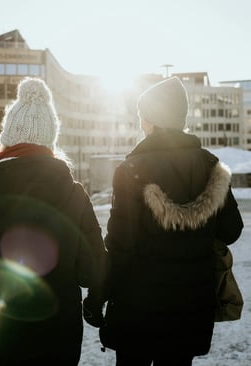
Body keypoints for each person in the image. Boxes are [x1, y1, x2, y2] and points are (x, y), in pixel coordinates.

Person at [0, 77, 108, 366]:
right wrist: (93, 305)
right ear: (50, 142)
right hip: (59, 335)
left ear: (8, 138)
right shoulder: (74, 193)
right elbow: (93, 269)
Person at [83, 76, 244, 365]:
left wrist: (96, 298)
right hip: (191, 308)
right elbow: (231, 231)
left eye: (142, 114)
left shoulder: (131, 170)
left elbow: (120, 247)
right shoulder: (212, 167)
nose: (140, 121)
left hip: (137, 310)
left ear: (152, 119)